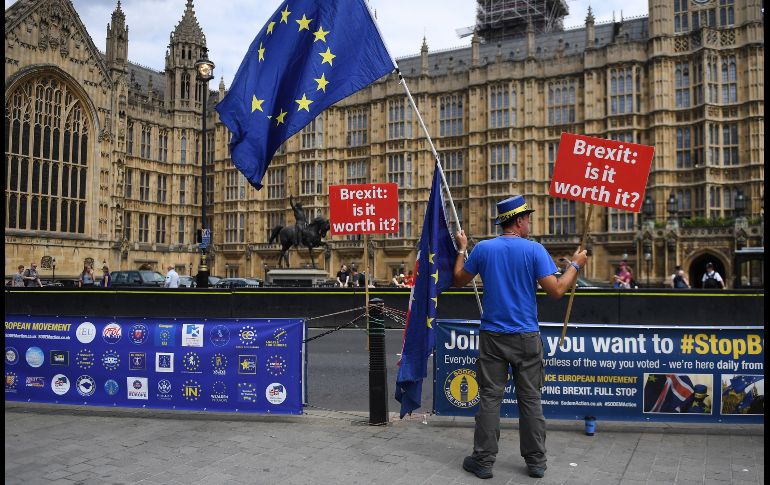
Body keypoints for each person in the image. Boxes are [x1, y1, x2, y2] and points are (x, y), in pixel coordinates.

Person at [453, 195, 587, 480]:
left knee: (490, 398)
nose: (530, 223)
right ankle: (536, 462)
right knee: (531, 400)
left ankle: (484, 460)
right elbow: (557, 290)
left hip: (492, 336)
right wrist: (575, 264)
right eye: (528, 218)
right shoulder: (535, 250)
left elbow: (457, 279)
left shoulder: (484, 249)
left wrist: (462, 249)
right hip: (526, 336)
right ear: (519, 220)